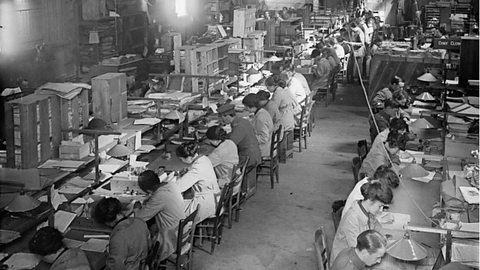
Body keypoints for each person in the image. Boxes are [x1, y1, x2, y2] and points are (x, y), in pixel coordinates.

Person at [331, 182, 393, 261]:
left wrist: (384, 239)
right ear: (370, 200)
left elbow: (379, 230)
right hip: (346, 262)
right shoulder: (352, 219)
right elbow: (358, 253)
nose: (380, 210)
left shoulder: (368, 211)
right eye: (380, 206)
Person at [133, 170, 186, 261]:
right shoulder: (171, 185)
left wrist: (136, 208)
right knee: (152, 225)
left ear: (149, 190)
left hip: (171, 236)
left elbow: (139, 218)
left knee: (139, 233)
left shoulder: (159, 196)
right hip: (182, 228)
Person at [93, 197, 150, 270]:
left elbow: (115, 266)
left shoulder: (119, 237)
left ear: (107, 222)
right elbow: (149, 244)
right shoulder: (140, 222)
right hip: (142, 265)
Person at [175, 141, 220, 222]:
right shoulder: (204, 159)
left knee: (172, 209)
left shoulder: (197, 169)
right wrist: (189, 170)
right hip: (214, 198)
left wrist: (176, 179)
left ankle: (179, 231)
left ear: (188, 157)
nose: (181, 161)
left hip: (205, 205)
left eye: (181, 159)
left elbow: (178, 188)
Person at [217, 103, 261, 167]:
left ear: (226, 116)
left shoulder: (238, 127)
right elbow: (235, 135)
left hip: (248, 158)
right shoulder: (242, 121)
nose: (221, 120)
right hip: (253, 154)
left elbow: (230, 145)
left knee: (221, 165)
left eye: (221, 117)